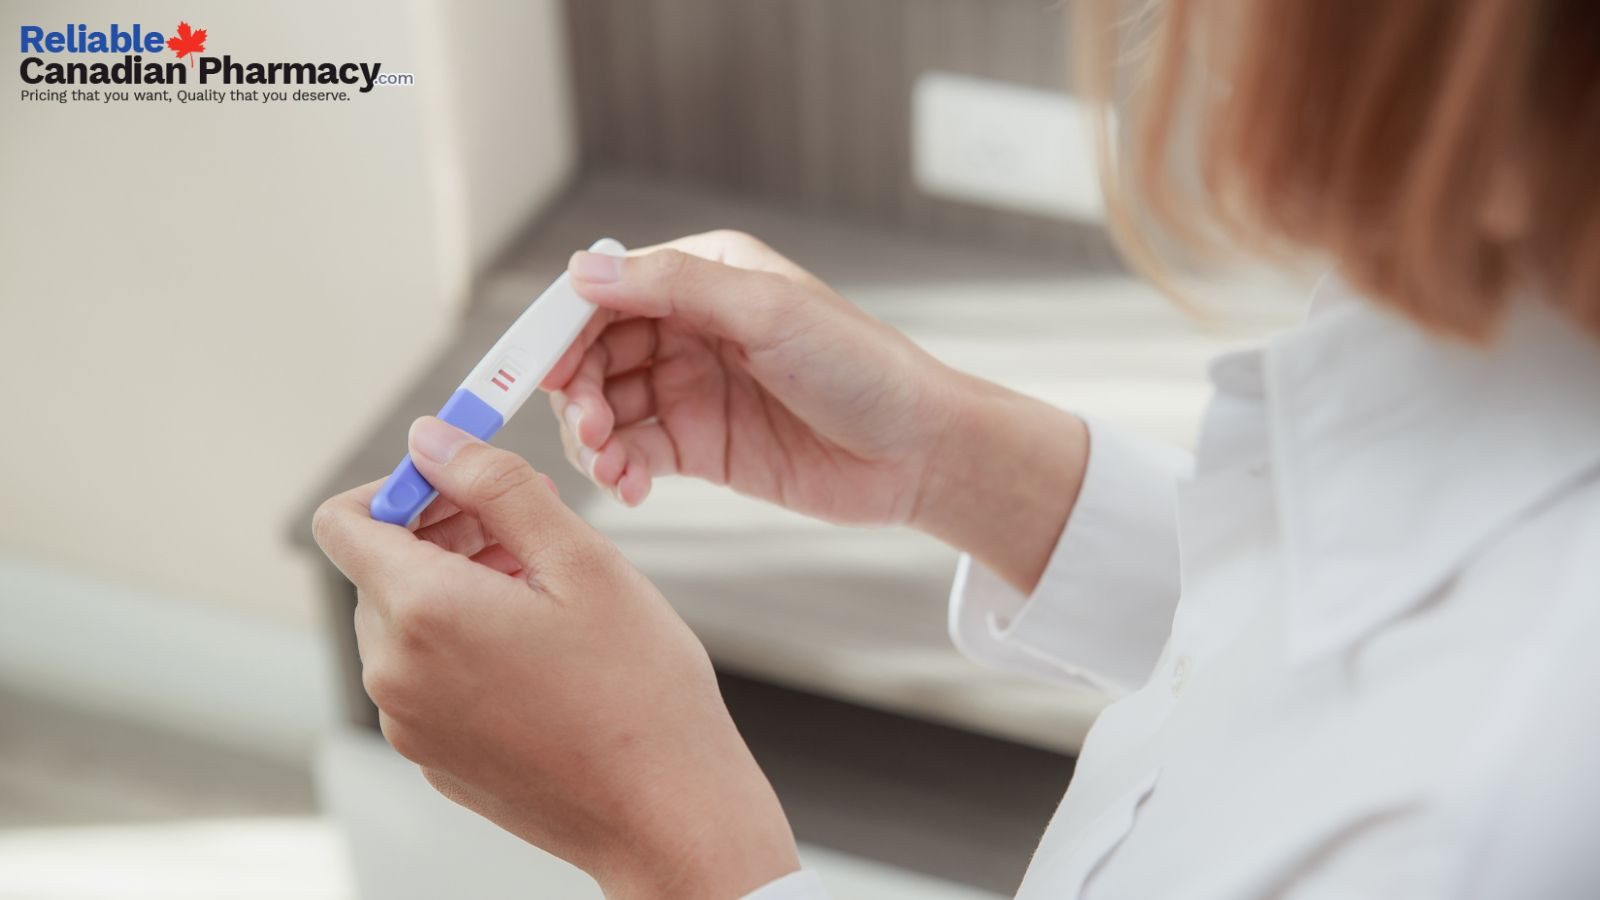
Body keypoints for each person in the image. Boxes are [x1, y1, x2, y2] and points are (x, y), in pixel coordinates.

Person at [311, 0, 1600, 896]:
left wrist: (670, 841)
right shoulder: (1509, 285)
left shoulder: (1489, 813)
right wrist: (954, 457)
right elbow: (1332, 632)